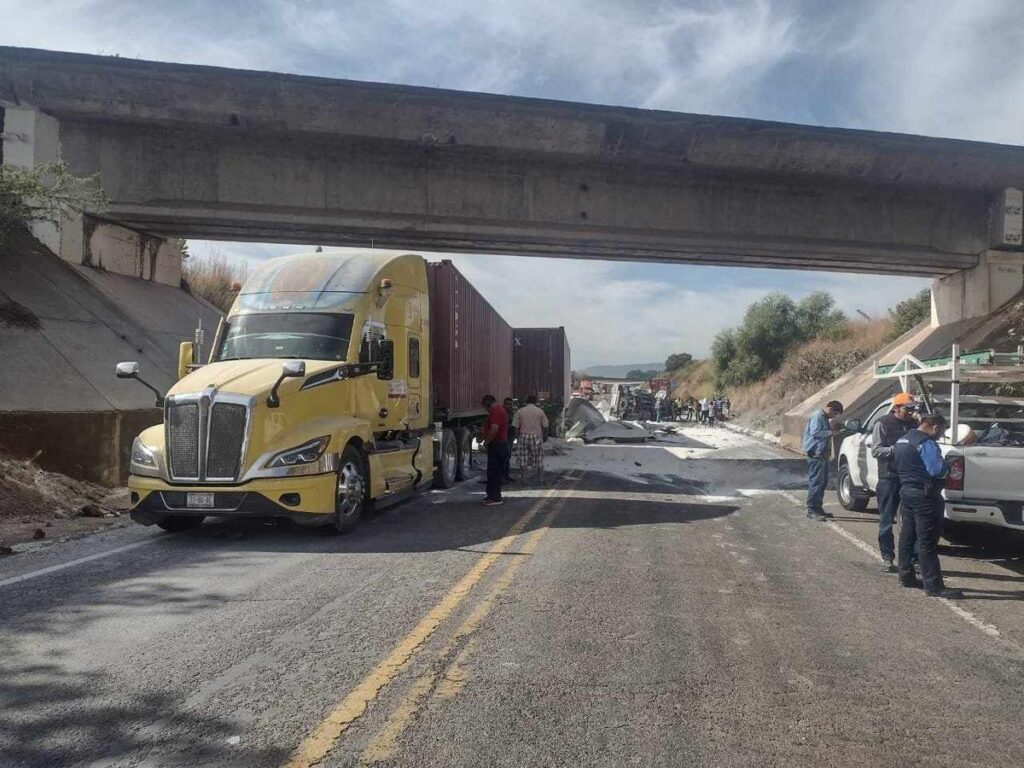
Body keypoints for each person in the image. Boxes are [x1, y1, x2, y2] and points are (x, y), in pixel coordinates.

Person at [894, 413, 963, 598]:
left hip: (906, 491)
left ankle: (905, 576)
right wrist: (948, 465)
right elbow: (937, 470)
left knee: (907, 536)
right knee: (927, 541)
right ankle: (933, 586)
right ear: (934, 427)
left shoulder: (903, 439)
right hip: (925, 495)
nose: (940, 436)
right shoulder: (926, 443)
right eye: (941, 432)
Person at [871, 392, 918, 572]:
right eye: (908, 409)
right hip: (889, 478)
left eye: (913, 409)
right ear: (897, 407)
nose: (911, 412)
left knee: (910, 521)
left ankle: (912, 559)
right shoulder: (883, 423)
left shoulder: (914, 424)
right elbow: (876, 450)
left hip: (908, 479)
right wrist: (898, 449)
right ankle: (887, 557)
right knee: (886, 520)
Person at [802, 400, 844, 521]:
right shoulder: (818, 416)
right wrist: (831, 432)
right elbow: (815, 432)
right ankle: (812, 510)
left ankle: (818, 508)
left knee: (822, 482)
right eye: (835, 413)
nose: (835, 417)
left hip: (822, 454)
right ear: (830, 409)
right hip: (815, 454)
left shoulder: (824, 418)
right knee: (816, 482)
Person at [513, 394, 549, 484]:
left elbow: (516, 426)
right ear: (535, 402)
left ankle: (524, 479)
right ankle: (541, 479)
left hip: (523, 435)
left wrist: (517, 437)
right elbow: (545, 425)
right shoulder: (539, 411)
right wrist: (544, 435)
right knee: (538, 458)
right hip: (536, 437)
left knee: (523, 458)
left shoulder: (520, 411)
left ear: (526, 401)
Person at [480, 394, 509, 506]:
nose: (486, 410)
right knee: (492, 471)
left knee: (494, 472)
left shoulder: (495, 411)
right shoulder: (499, 410)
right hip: (499, 444)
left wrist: (485, 442)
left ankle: (495, 497)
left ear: (487, 404)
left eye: (485, 407)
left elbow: (494, 429)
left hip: (497, 444)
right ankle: (491, 495)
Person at [502, 397, 518, 483]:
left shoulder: (511, 412)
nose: (509, 406)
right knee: (504, 458)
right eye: (508, 404)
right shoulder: (504, 413)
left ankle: (506, 476)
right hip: (505, 438)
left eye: (510, 404)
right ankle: (503, 477)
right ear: (504, 404)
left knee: (507, 457)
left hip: (510, 437)